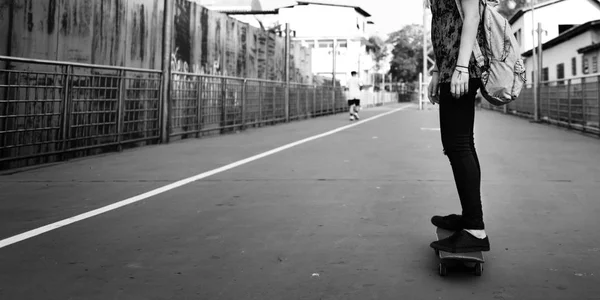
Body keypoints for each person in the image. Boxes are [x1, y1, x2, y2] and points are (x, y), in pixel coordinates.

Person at [427, 0, 491, 253]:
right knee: (461, 144)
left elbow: (472, 16)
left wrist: (461, 68)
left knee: (458, 145)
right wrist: (435, 70)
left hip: (462, 67)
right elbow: (442, 25)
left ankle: (475, 228)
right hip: (450, 68)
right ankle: (470, 218)